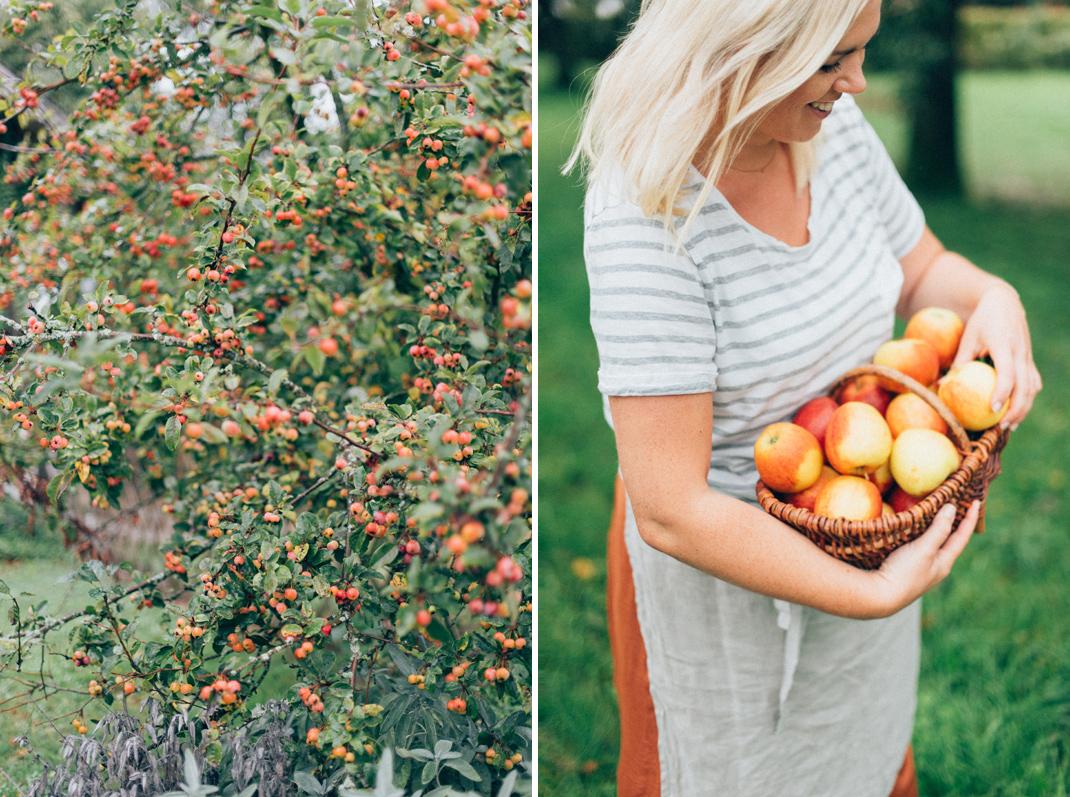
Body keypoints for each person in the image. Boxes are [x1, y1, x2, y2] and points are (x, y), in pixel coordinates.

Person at [565, 0, 1043, 794]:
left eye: (862, 51)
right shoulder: (646, 207)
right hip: (727, 576)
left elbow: (923, 269)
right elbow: (672, 507)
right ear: (745, 46)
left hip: (855, 519)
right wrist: (868, 591)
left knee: (858, 753)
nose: (857, 82)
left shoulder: (827, 128)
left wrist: (995, 295)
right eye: (831, 60)